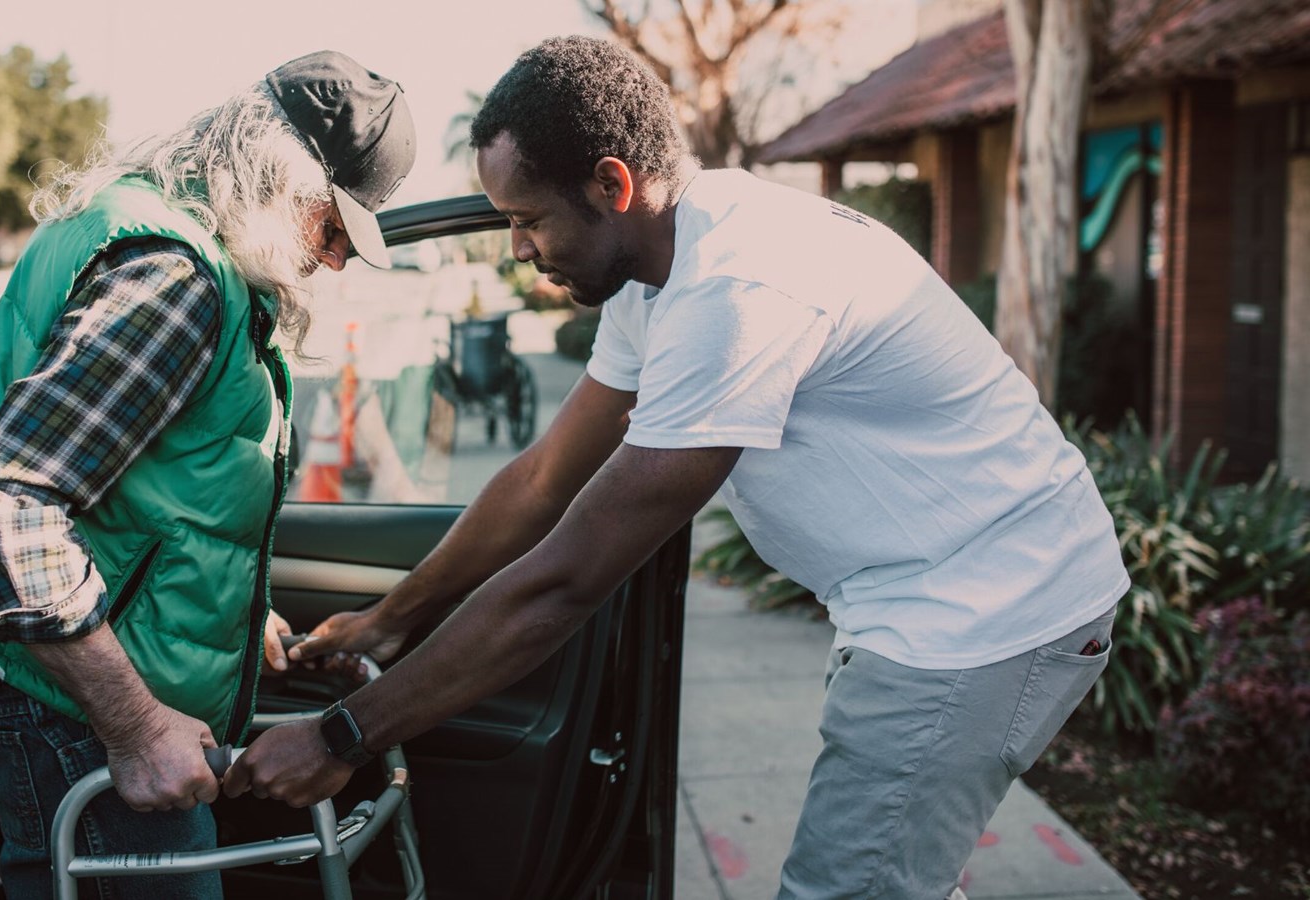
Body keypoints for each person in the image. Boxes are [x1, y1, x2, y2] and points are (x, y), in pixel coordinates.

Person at [230, 36, 1129, 900]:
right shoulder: (662, 269)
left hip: (988, 611)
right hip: (922, 598)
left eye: (528, 220)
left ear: (612, 184)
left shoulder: (737, 287)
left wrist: (343, 738)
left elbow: (566, 580)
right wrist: (389, 621)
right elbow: (545, 480)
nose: (517, 249)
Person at [0, 51, 415, 899]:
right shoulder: (176, 279)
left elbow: (141, 486)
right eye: (332, 227)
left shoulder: (140, 228)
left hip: (18, 674)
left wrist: (230, 614)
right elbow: (10, 500)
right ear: (281, 177)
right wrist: (136, 727)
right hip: (56, 703)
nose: (333, 260)